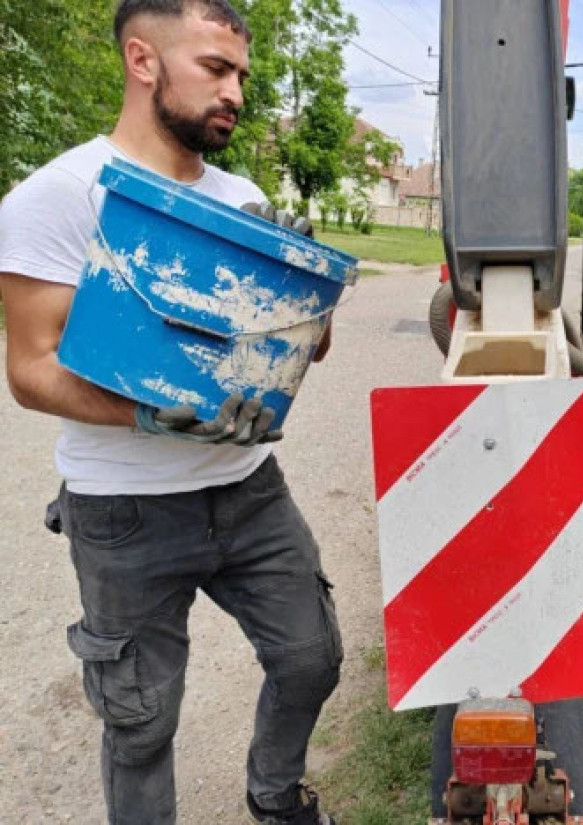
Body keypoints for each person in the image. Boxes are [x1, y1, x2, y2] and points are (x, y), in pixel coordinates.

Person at [0, 2, 342, 823]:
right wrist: (148, 414)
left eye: (241, 77)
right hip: (123, 510)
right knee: (142, 721)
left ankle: (275, 795)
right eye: (215, 70)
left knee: (312, 657)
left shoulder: (244, 196)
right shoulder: (57, 197)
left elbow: (303, 352)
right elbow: (31, 370)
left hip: (248, 488)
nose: (235, 93)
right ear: (142, 59)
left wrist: (306, 295)